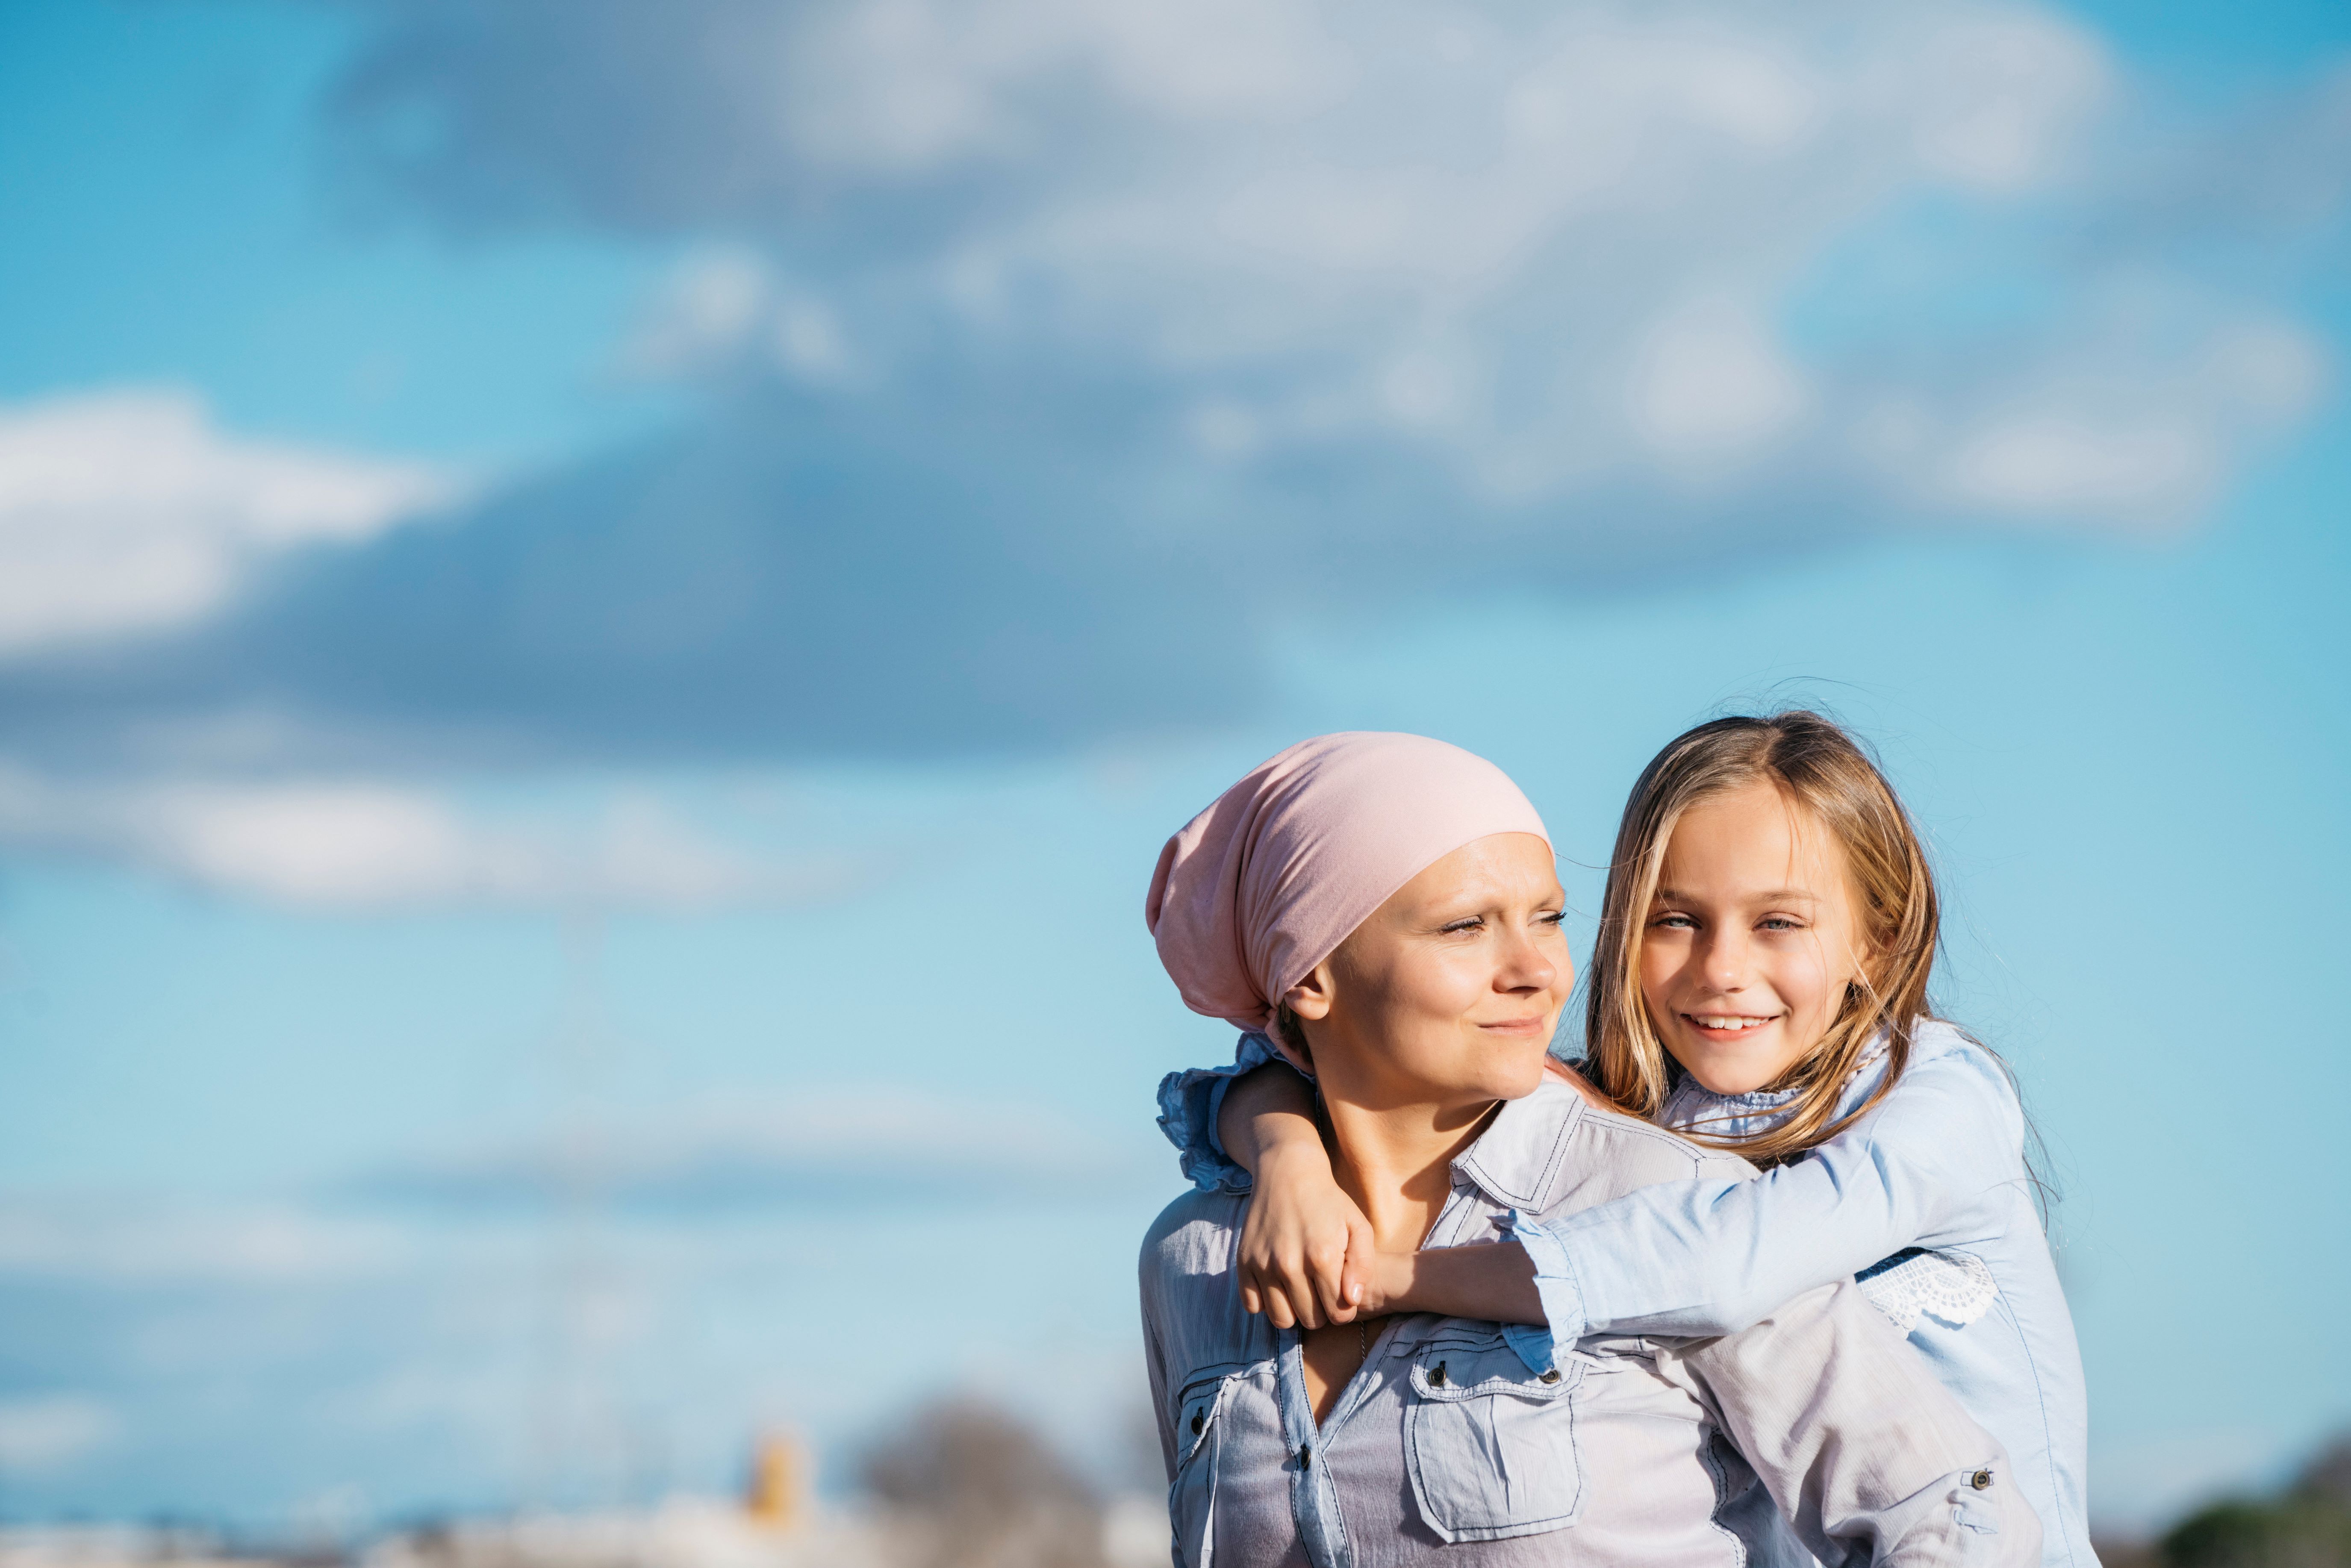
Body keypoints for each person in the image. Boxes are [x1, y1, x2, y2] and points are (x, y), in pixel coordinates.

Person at [1173, 715, 2092, 1568]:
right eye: (1673, 918)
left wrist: (1400, 1276)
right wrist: (1285, 1151)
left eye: (1777, 921)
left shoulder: (1937, 1094)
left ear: (1878, 944)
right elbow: (1296, 1056)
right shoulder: (1649, 1111)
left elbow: (1728, 1261)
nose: (1721, 969)